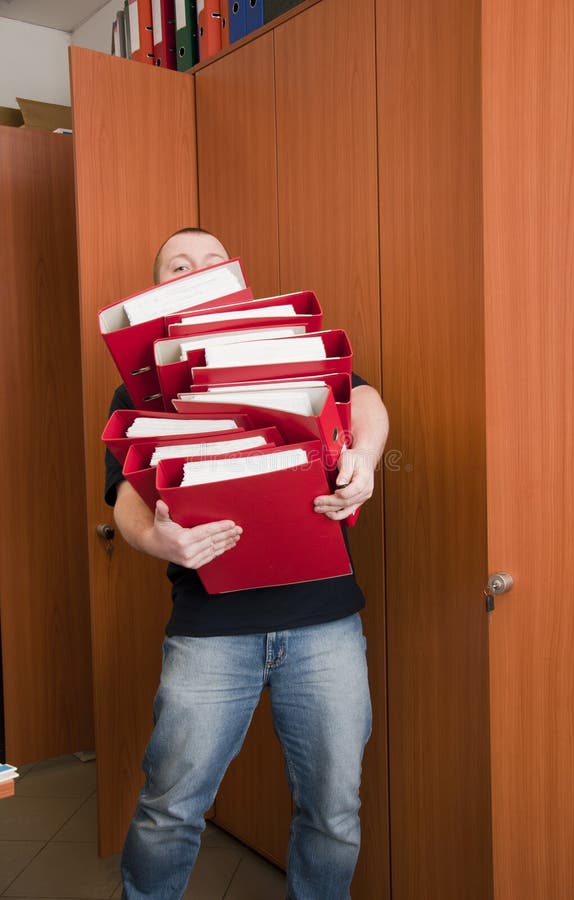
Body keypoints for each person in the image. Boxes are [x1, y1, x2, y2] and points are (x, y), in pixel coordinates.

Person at [105, 228, 389, 900]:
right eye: (180, 265)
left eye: (213, 262)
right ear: (162, 292)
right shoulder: (138, 391)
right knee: (170, 808)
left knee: (334, 812)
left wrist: (366, 460)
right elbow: (123, 499)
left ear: (238, 283)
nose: (198, 271)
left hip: (324, 623)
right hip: (209, 627)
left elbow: (367, 399)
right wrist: (158, 542)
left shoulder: (295, 355)